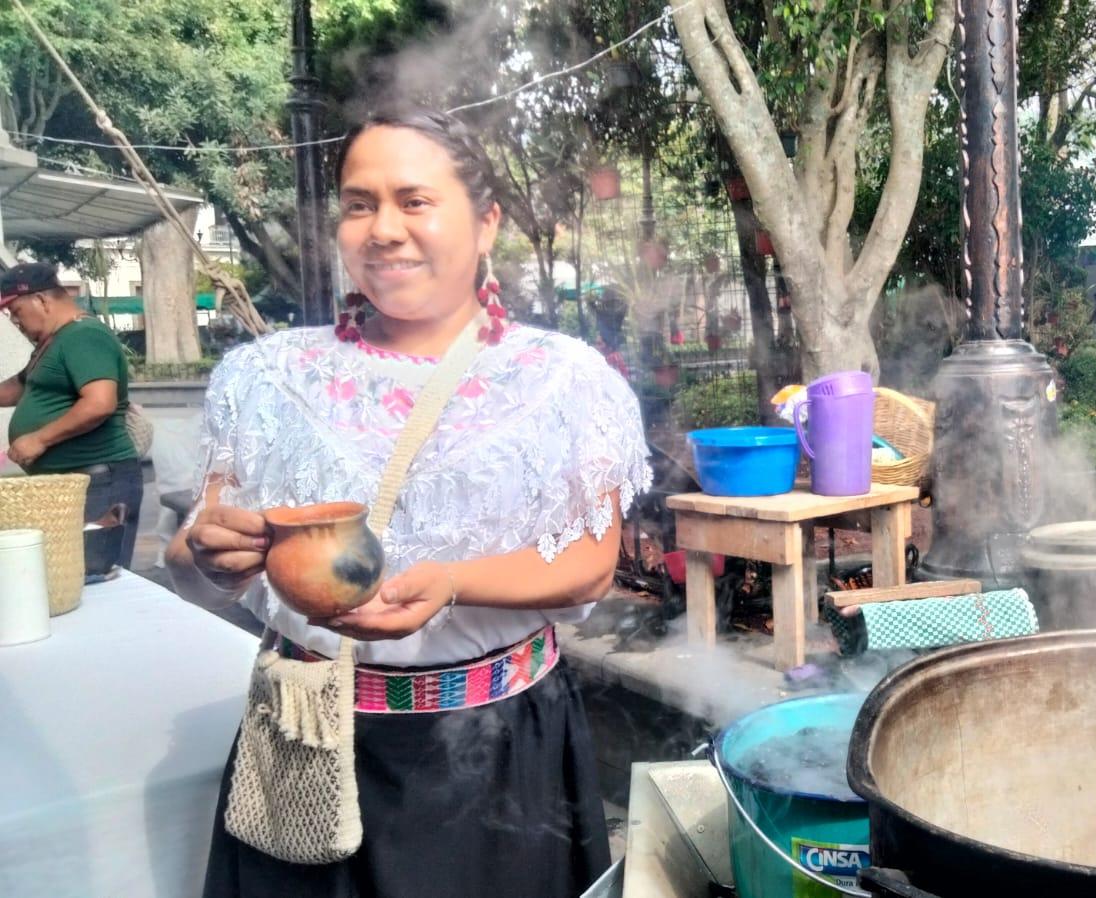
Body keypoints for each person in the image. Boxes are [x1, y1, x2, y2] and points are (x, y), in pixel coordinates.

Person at [166, 109, 650, 897]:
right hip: (305, 743)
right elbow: (193, 553)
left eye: (414, 200)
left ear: (486, 222)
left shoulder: (565, 379)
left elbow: (590, 566)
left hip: (497, 755)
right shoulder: (264, 377)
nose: (383, 229)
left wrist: (453, 581)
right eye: (360, 204)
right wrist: (208, 556)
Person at [0, 262, 142, 567]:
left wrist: (39, 439)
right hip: (74, 483)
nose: (14, 322)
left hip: (99, 480)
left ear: (41, 300)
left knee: (98, 578)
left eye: (16, 311)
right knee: (70, 577)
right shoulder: (54, 342)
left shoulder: (84, 335)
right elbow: (18, 387)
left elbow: (99, 403)